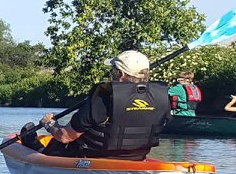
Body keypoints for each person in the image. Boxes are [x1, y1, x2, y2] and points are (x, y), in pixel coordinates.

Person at [23, 49, 169, 158]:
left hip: (94, 157)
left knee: (58, 141)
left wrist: (49, 124)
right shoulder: (160, 97)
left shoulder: (104, 98)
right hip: (136, 158)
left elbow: (65, 136)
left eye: (113, 70)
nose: (111, 73)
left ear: (121, 74)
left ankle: (39, 149)